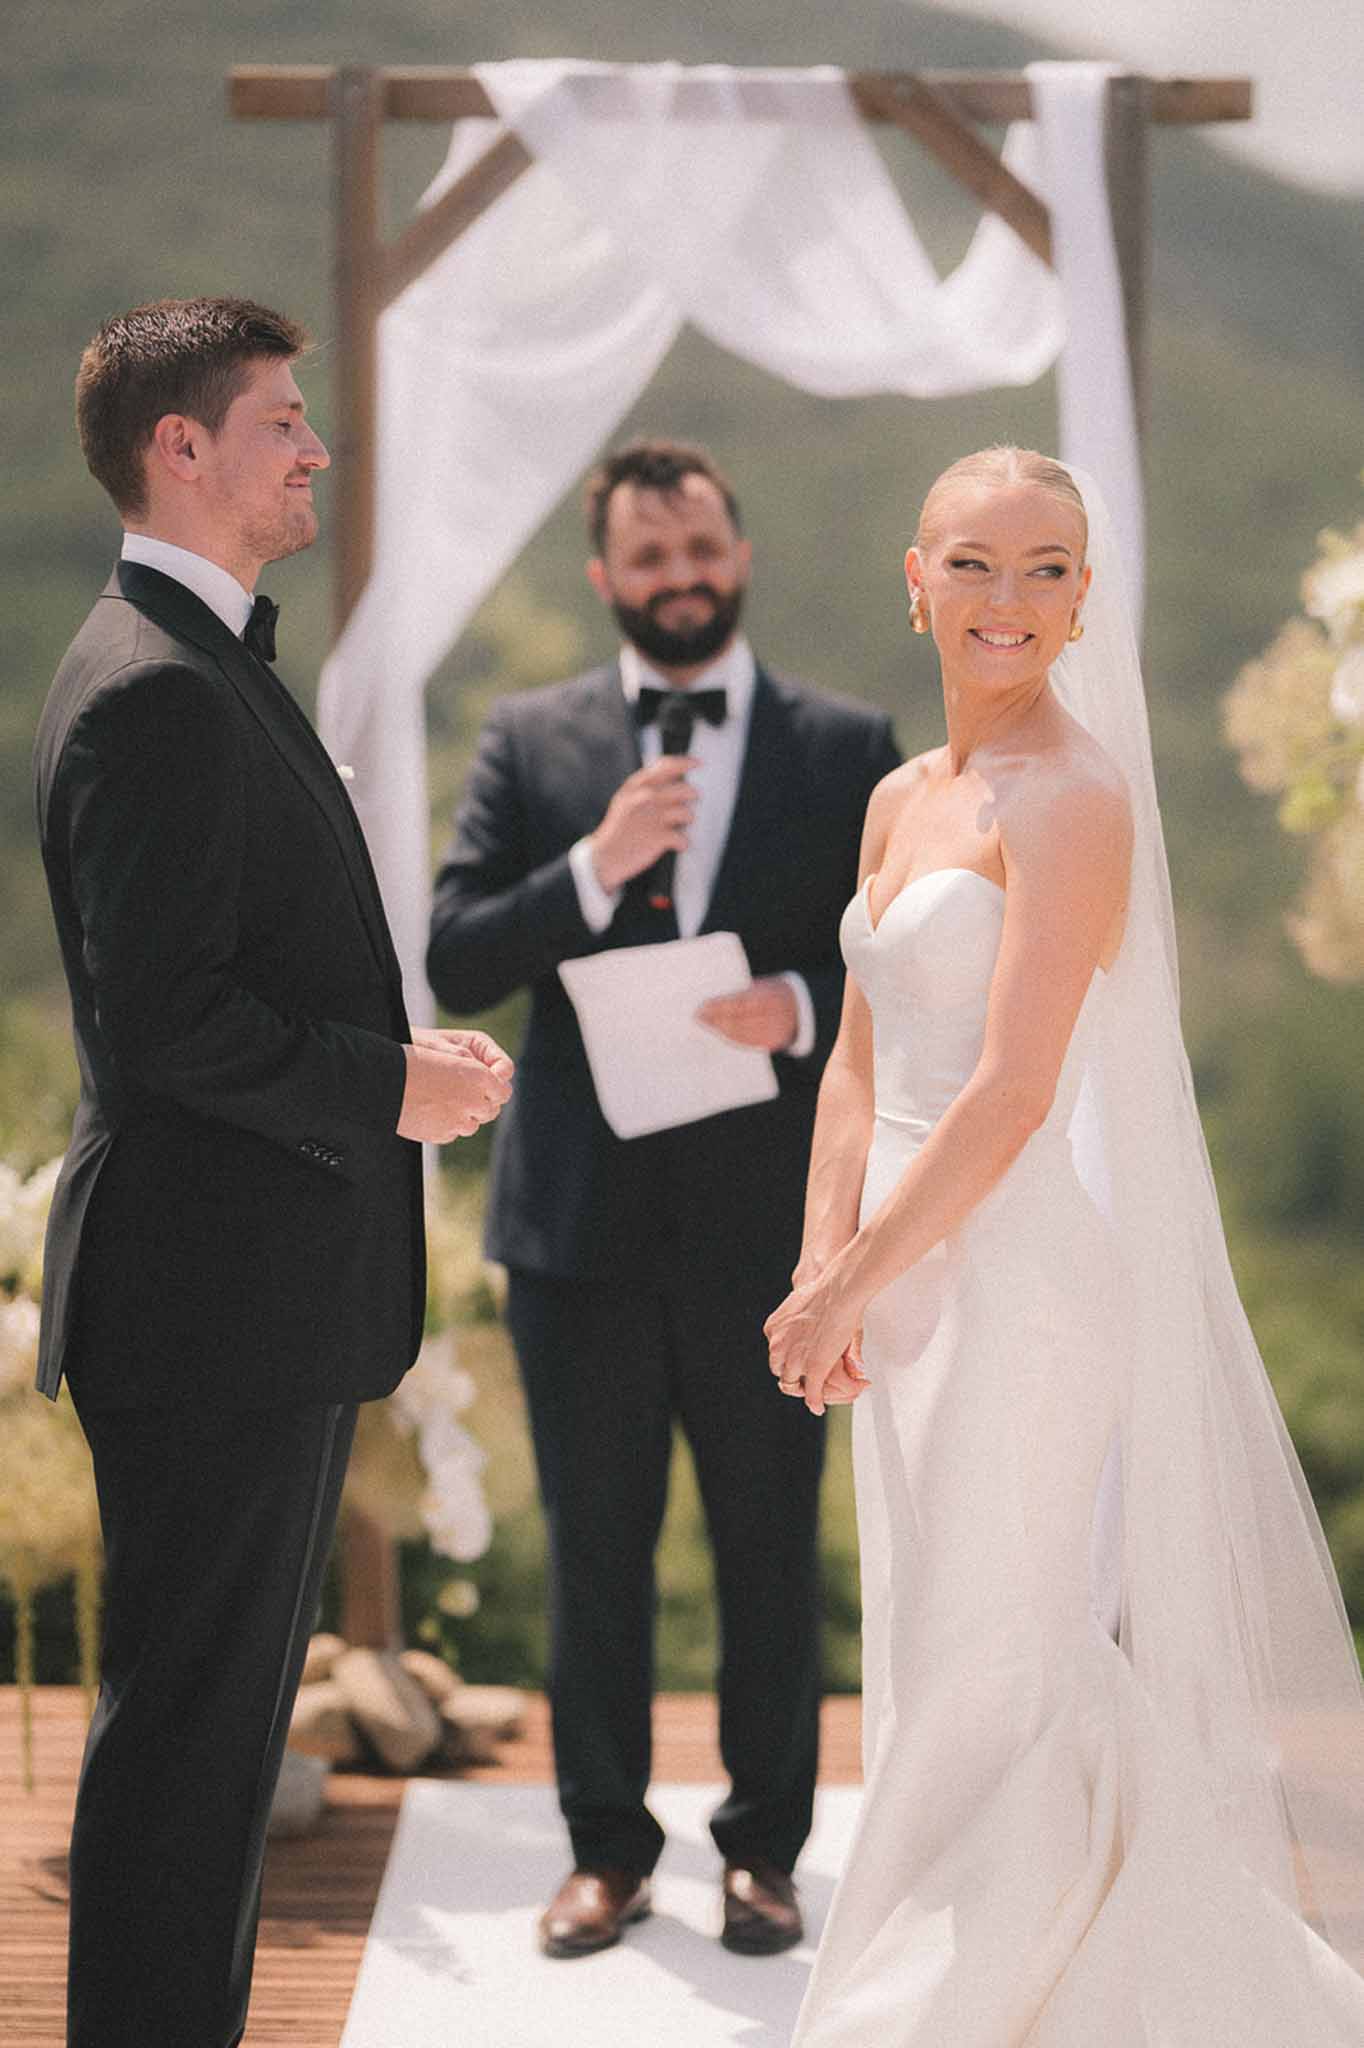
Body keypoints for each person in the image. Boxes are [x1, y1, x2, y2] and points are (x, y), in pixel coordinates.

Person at [765, 447, 1364, 2045]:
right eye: (973, 563)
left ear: (1086, 596)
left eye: (1045, 567)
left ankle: (957, 2002)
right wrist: (823, 1271)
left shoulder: (1078, 799)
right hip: (897, 1282)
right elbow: (860, 1059)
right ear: (915, 580)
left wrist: (850, 1280)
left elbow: (1018, 1091)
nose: (1007, 600)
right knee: (930, 1643)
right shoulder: (902, 796)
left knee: (1000, 1654)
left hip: (1018, 1287)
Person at [33, 296, 513, 2048]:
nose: (315, 448)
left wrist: (401, 1069)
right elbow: (163, 1025)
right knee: (184, 1760)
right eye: (282, 420)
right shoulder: (157, 687)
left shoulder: (200, 656)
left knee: (217, 1759)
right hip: (210, 1311)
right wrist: (392, 1090)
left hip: (238, 1308)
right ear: (182, 448)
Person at [427, 439, 900, 1959]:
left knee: (772, 1547)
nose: (680, 578)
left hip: (776, 1231)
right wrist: (591, 866)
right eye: (649, 559)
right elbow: (455, 958)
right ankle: (605, 1852)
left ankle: (764, 1852)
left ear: (738, 552)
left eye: (701, 549)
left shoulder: (847, 741)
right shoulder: (530, 735)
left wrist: (799, 1002)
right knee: (596, 1551)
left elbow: (892, 966)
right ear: (606, 576)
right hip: (579, 1232)